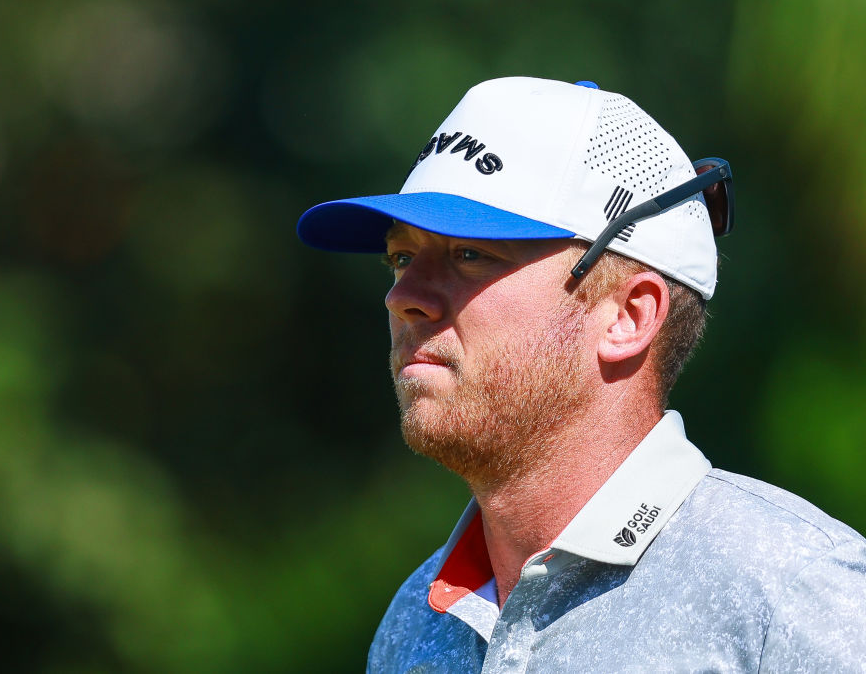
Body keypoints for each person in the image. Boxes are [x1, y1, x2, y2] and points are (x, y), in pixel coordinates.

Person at [296, 77, 866, 672]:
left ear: (626, 316)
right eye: (402, 257)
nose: (403, 297)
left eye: (470, 254)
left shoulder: (793, 591)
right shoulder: (413, 622)